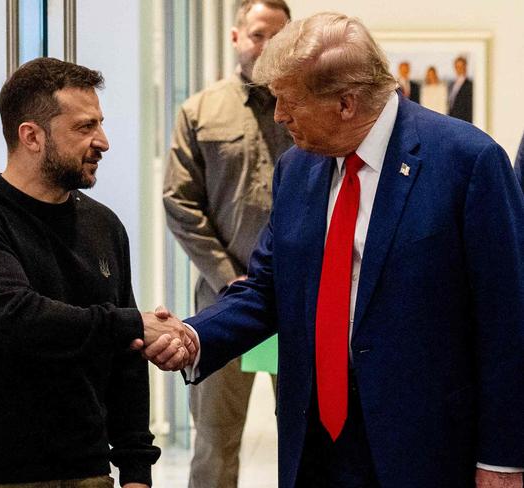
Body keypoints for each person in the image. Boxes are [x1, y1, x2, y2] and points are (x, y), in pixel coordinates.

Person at [144, 12, 524, 488]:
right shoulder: (297, 169)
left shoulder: (467, 162)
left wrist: (503, 458)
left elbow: (507, 321)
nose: (279, 115)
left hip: (423, 446)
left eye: (289, 102)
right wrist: (194, 336)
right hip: (314, 442)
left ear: (346, 104)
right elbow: (266, 289)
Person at [0, 57, 192, 488]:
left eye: (100, 124)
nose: (103, 141)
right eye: (84, 127)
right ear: (31, 136)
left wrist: (136, 472)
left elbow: (125, 360)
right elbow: (21, 319)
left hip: (86, 472)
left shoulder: (104, 225)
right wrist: (133, 322)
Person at [162, 1, 292, 486]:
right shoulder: (199, 111)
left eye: (278, 37)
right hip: (224, 302)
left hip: (301, 304)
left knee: (310, 438)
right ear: (237, 38)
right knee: (215, 444)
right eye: (258, 34)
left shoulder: (308, 109)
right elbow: (179, 202)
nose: (267, 46)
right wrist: (229, 277)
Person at [448, 55, 473, 122]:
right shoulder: (452, 84)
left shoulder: (470, 85)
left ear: (465, 67)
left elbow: (469, 107)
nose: (459, 69)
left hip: (463, 120)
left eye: (461, 67)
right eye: (457, 67)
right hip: (452, 119)